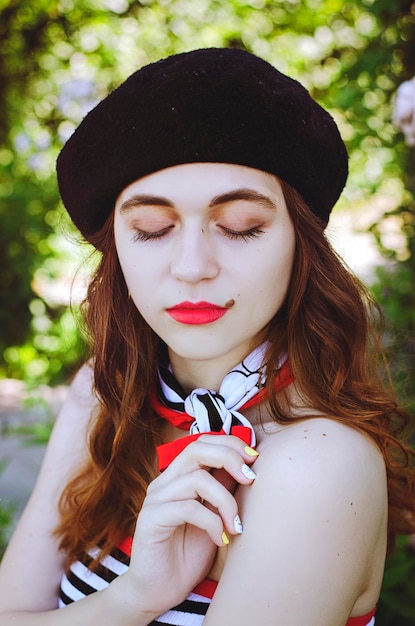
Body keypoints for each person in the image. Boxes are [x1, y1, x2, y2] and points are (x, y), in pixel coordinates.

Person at [0, 47, 414, 626]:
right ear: (116, 249)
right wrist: (133, 598)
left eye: (241, 228)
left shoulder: (316, 466)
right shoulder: (102, 393)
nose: (192, 266)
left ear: (300, 244)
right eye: (153, 229)